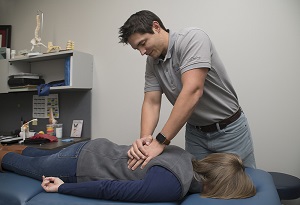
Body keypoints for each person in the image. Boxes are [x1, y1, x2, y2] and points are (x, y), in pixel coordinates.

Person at [118, 10, 256, 170]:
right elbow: (151, 102)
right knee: (199, 186)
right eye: (137, 49)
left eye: (143, 43)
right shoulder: (152, 62)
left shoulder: (192, 39)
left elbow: (192, 91)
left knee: (241, 186)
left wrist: (160, 141)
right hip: (195, 134)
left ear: (156, 27)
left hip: (229, 130)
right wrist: (145, 140)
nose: (142, 52)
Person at [0, 139, 255, 202]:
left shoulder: (186, 157)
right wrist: (63, 187)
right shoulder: (173, 183)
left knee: (38, 154)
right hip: (82, 165)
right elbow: (109, 188)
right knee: (19, 164)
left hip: (95, 148)